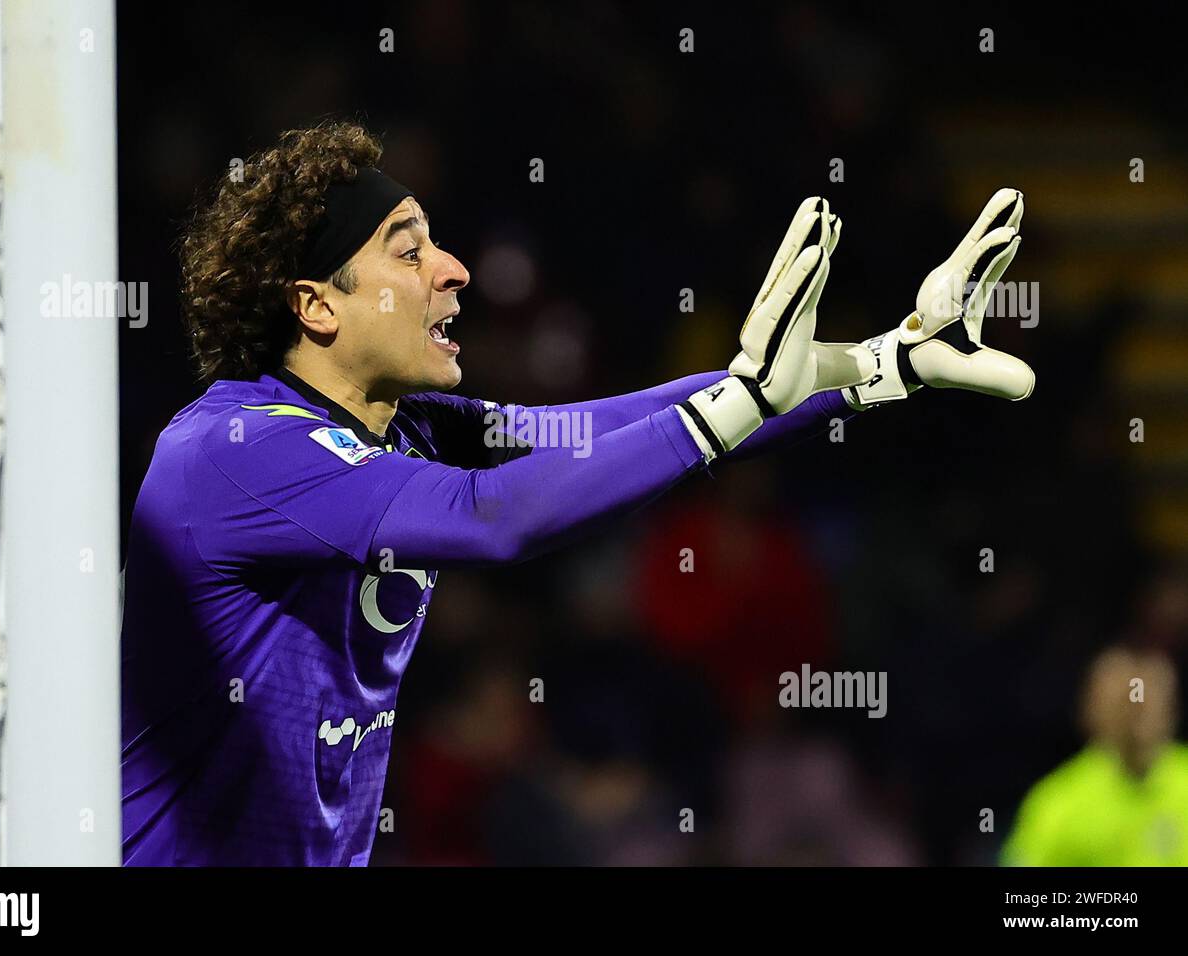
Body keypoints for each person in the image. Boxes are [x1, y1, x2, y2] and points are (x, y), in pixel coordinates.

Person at [121, 119, 1032, 865]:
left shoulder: (410, 424)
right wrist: (745, 395)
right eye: (409, 253)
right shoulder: (234, 452)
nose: (453, 268)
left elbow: (595, 429)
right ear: (317, 306)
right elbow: (497, 518)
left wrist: (883, 362)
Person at [1002, 647, 1188, 866]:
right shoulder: (1057, 804)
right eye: (1126, 705)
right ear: (1092, 710)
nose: (1140, 717)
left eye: (1154, 703)